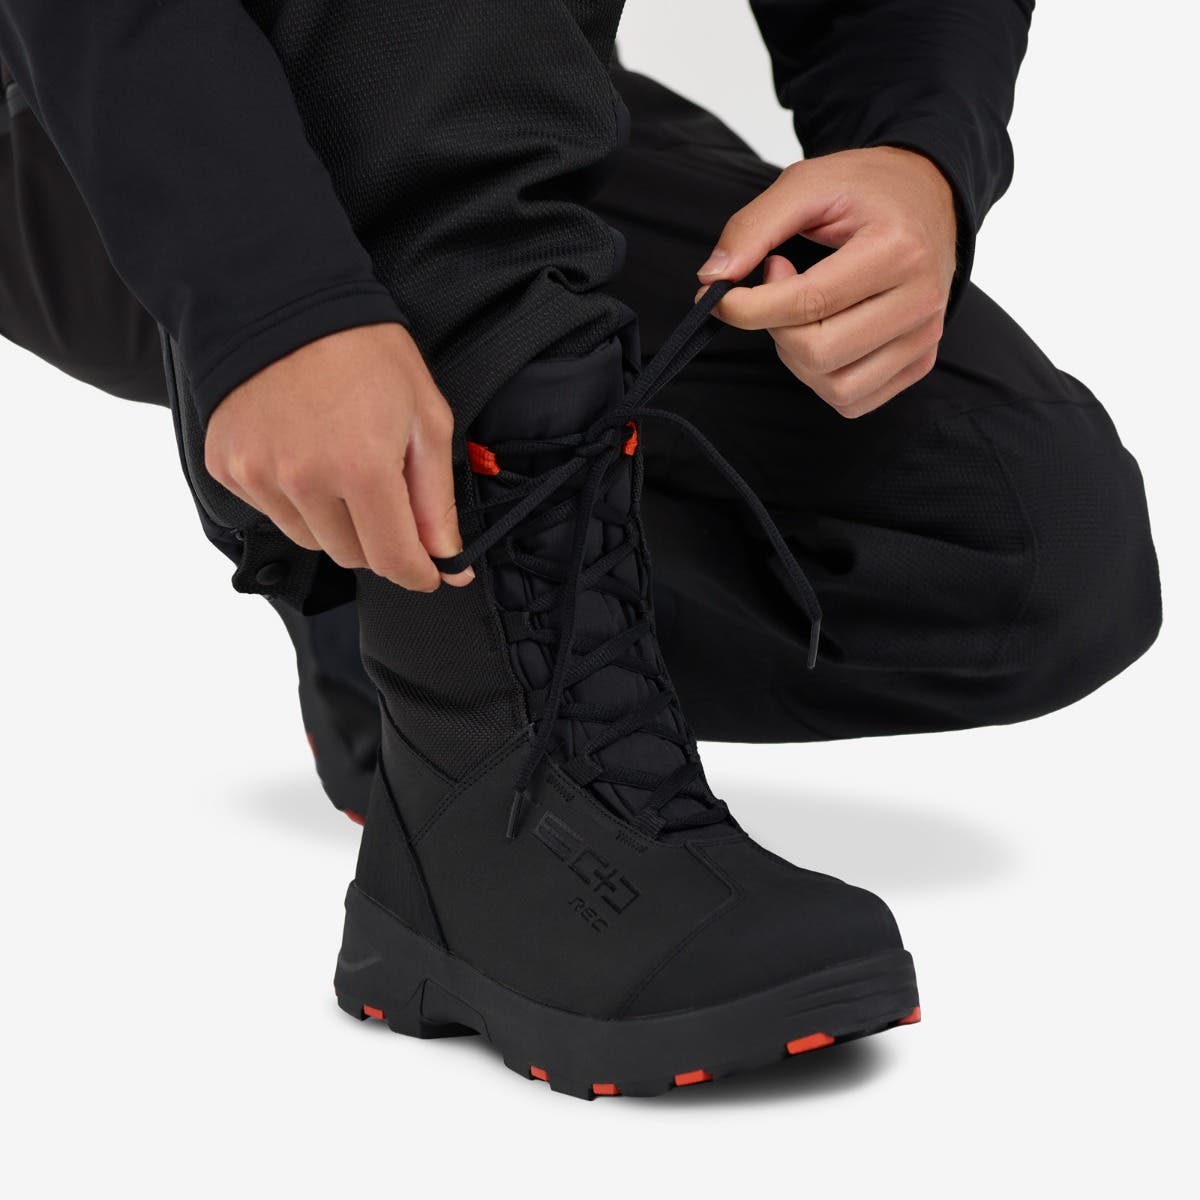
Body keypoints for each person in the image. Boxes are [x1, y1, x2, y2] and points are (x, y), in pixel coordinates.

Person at [0, 2, 1159, 1098]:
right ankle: (478, 744)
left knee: (1028, 539)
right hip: (80, 102)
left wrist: (913, 141)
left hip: (477, 98)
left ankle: (402, 609)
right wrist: (265, 295)